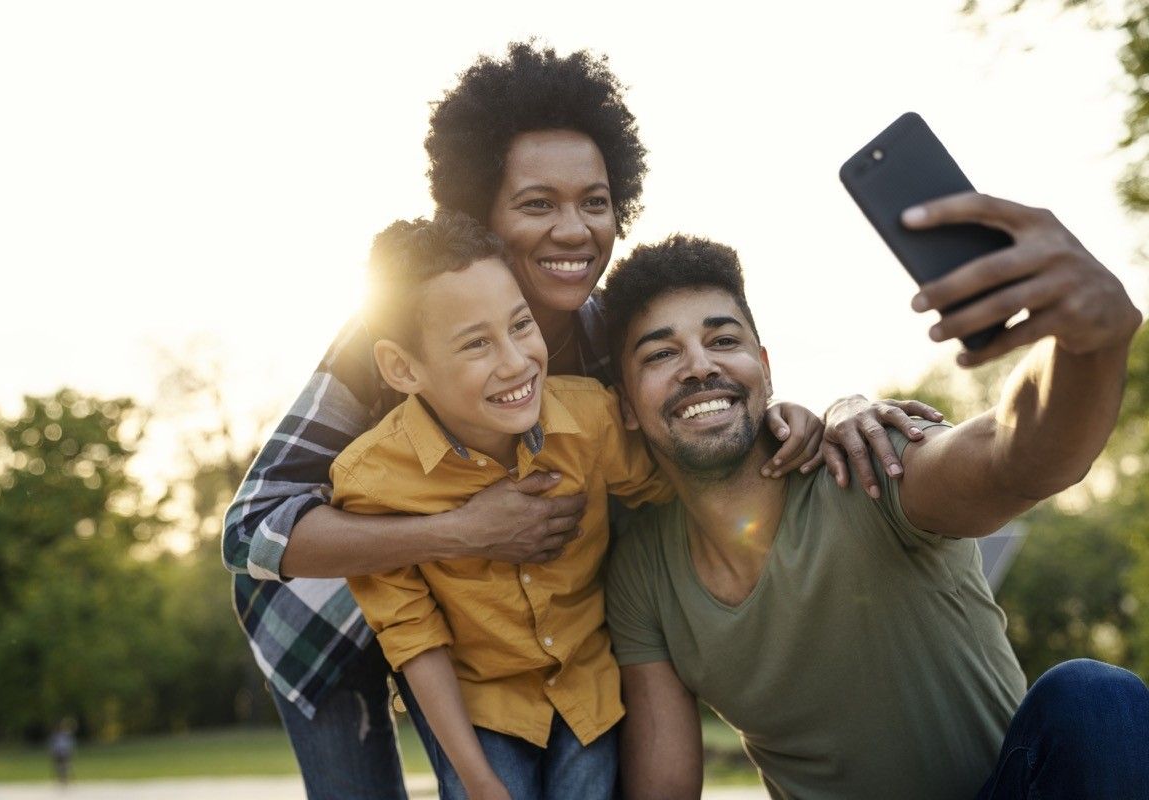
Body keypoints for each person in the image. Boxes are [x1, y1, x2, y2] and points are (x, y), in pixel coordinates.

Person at [222, 42, 936, 799]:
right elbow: (251, 530)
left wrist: (825, 412)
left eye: (595, 202)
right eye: (538, 204)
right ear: (479, 217)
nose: (575, 231)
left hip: (520, 638)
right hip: (328, 616)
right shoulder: (387, 338)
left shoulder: (607, 338)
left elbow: (703, 418)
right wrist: (460, 530)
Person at [601, 202, 1149, 799]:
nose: (699, 367)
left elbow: (1015, 456)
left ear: (763, 367)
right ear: (627, 404)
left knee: (1097, 700)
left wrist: (1085, 347)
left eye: (722, 339)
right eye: (661, 354)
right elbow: (663, 788)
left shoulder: (868, 461)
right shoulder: (643, 570)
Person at [332, 212, 674, 800]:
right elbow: (413, 639)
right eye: (476, 344)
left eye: (521, 326)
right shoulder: (373, 480)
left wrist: (785, 425)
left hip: (588, 688)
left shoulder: (590, 420)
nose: (515, 361)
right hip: (478, 711)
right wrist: (478, 779)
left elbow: (674, 488)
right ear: (402, 368)